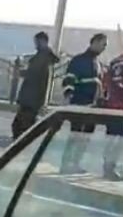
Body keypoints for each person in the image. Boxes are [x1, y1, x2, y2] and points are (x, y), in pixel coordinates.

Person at [61, 33, 107, 174]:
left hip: (92, 107)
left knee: (85, 137)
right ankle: (66, 164)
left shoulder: (98, 63)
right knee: (76, 135)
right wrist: (70, 96)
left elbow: (100, 84)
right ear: (94, 42)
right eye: (103, 44)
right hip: (79, 105)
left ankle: (76, 163)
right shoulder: (79, 60)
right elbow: (69, 80)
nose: (104, 48)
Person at [11, 31, 58, 140]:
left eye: (36, 41)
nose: (35, 44)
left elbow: (34, 73)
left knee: (21, 127)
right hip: (33, 97)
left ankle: (20, 148)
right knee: (24, 125)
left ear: (42, 41)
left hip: (32, 97)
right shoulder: (44, 56)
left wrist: (21, 72)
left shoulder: (43, 56)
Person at [102, 51, 123, 180]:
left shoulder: (116, 62)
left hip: (116, 107)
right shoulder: (119, 63)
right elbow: (118, 83)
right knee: (115, 140)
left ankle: (111, 167)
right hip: (117, 108)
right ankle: (109, 168)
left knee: (117, 140)